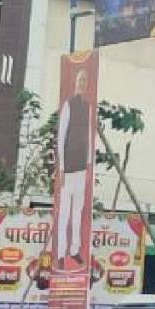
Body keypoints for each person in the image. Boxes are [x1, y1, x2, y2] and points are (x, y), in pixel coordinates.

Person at [56, 68, 94, 272]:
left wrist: (88, 165)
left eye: (84, 80)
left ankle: (74, 250)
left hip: (81, 168)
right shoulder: (68, 105)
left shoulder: (88, 107)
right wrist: (61, 168)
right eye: (79, 79)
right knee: (65, 214)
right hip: (68, 169)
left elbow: (88, 135)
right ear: (75, 82)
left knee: (77, 212)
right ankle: (61, 254)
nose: (82, 83)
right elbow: (61, 138)